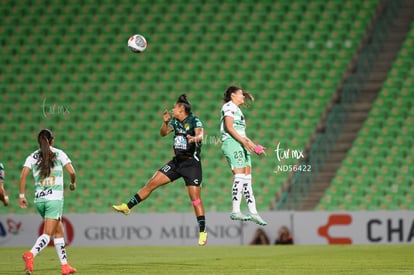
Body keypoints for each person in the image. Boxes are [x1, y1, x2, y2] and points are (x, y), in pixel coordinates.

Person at [112, 94, 208, 246]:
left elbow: (201, 134)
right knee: (151, 183)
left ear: (182, 109)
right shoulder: (175, 122)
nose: (172, 109)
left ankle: (202, 232)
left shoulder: (194, 120)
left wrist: (194, 139)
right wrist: (165, 123)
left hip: (191, 164)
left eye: (175, 107)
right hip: (177, 162)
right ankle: (127, 207)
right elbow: (163, 133)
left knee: (195, 199)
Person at [19, 129, 77, 275]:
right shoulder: (59, 153)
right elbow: (72, 172)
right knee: (48, 233)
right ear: (52, 140)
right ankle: (30, 254)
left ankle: (65, 266)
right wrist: (73, 183)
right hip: (54, 199)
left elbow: (23, 176)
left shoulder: (32, 157)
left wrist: (21, 196)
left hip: (40, 199)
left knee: (59, 231)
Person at [220, 85, 267, 226]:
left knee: (247, 177)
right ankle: (235, 210)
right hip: (232, 143)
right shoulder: (228, 106)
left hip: (241, 143)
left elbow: (241, 133)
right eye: (241, 94)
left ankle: (253, 212)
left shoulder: (238, 111)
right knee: (239, 175)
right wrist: (243, 142)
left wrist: (253, 145)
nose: (243, 96)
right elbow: (229, 127)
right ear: (233, 95)